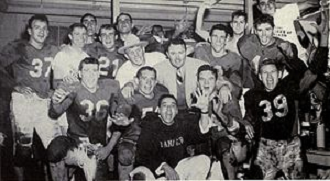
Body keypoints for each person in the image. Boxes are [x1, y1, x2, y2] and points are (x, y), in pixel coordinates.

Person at [49, 57, 133, 180]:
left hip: (96, 147)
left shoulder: (110, 87)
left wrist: (108, 148)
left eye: (94, 71)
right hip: (75, 143)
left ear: (99, 73)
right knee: (54, 150)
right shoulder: (73, 88)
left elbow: (123, 108)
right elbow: (55, 112)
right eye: (87, 71)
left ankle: (76, 170)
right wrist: (55, 102)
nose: (91, 75)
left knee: (96, 176)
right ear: (79, 74)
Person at [0, 14, 61, 181]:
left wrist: (54, 88)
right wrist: (14, 85)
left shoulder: (54, 50)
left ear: (48, 32)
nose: (41, 31)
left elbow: (65, 71)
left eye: (44, 28)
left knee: (56, 149)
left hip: (44, 102)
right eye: (37, 27)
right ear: (29, 30)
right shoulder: (17, 47)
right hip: (24, 101)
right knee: (23, 149)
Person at [242, 57, 306, 179]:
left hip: (290, 145)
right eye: (265, 73)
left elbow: (308, 75)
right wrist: (246, 122)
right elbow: (249, 115)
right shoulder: (253, 95)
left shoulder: (289, 88)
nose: (269, 77)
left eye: (273, 72)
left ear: (280, 74)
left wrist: (290, 56)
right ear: (260, 76)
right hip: (265, 146)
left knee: (299, 174)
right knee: (256, 175)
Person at [104, 66, 169, 180]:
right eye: (144, 79)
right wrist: (123, 119)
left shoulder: (162, 93)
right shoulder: (130, 95)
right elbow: (124, 109)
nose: (148, 83)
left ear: (156, 82)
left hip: (154, 139)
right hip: (133, 139)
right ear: (137, 81)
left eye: (152, 79)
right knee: (125, 155)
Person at [134, 94, 213, 180]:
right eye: (164, 105)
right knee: (140, 173)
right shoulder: (150, 126)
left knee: (203, 160)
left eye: (172, 106)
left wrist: (204, 111)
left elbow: (202, 133)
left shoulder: (182, 124)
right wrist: (164, 166)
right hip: (156, 173)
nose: (168, 109)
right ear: (159, 110)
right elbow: (142, 154)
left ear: (176, 111)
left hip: (178, 172)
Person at [192, 65, 244, 179]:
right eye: (202, 79)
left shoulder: (226, 97)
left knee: (224, 145)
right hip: (207, 146)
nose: (206, 83)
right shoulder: (196, 100)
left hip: (229, 146)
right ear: (197, 82)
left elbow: (238, 131)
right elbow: (198, 133)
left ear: (216, 81)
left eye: (210, 79)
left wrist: (221, 114)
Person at [154, 38, 232, 111]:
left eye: (180, 53)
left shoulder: (199, 65)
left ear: (186, 51)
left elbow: (217, 79)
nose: (177, 58)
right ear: (167, 54)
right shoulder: (159, 68)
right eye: (173, 53)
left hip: (195, 110)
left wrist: (224, 87)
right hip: (170, 112)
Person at [195, 24, 254, 98]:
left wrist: (226, 86)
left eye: (222, 37)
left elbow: (237, 89)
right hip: (200, 93)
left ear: (226, 40)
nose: (218, 41)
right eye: (215, 36)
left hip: (222, 95)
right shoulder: (201, 51)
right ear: (209, 38)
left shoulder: (234, 59)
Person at [255, 0, 320, 62]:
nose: (267, 5)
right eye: (263, 3)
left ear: (274, 3)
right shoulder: (257, 26)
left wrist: (323, 2)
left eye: (270, 2)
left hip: (299, 59)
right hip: (276, 65)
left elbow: (309, 3)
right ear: (258, 7)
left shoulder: (286, 12)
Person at [52, 23, 89, 88]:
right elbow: (55, 84)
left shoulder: (87, 57)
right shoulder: (61, 55)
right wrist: (64, 82)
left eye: (84, 34)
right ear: (70, 36)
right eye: (77, 34)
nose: (82, 37)